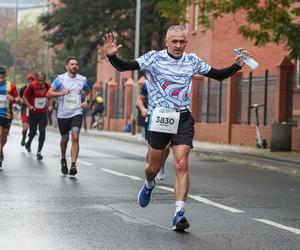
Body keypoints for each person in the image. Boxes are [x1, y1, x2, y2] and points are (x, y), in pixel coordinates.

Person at [103, 25, 248, 231]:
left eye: (182, 41)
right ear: (166, 41)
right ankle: (149, 184)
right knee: (153, 168)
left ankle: (179, 213)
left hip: (183, 118)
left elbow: (217, 75)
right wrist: (112, 57)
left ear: (186, 42)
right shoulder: (154, 58)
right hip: (159, 118)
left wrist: (237, 65)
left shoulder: (192, 60)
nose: (179, 45)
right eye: (175, 41)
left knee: (181, 164)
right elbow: (124, 66)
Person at [46, 56, 91, 176]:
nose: (74, 66)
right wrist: (62, 93)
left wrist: (86, 101)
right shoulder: (60, 79)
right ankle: (63, 159)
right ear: (67, 66)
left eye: (76, 64)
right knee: (64, 140)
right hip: (63, 114)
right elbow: (49, 93)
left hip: (77, 112)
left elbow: (88, 92)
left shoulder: (83, 79)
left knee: (75, 137)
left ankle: (73, 164)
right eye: (72, 64)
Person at [136, 80, 170, 180]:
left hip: (168, 118)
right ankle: (152, 169)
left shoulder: (173, 80)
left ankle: (161, 165)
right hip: (153, 118)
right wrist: (143, 109)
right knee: (151, 148)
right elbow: (139, 99)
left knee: (167, 147)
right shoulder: (147, 83)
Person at [22, 72, 51, 160]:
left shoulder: (47, 86)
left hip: (43, 112)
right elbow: (24, 97)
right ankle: (29, 142)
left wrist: (50, 104)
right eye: (39, 80)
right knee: (33, 132)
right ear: (36, 79)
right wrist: (30, 106)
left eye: (43, 80)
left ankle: (39, 152)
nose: (41, 82)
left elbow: (51, 94)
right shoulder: (31, 86)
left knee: (42, 131)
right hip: (33, 112)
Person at [0, 67, 19, 168]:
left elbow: (18, 99)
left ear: (5, 74)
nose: (0, 75)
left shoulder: (11, 86)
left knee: (4, 136)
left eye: (2, 74)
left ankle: (1, 150)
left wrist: (13, 99)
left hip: (7, 115)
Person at [19, 72, 35, 146]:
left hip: (33, 110)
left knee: (32, 131)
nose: (31, 81)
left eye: (32, 79)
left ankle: (29, 142)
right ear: (27, 80)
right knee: (25, 128)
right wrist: (21, 101)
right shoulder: (23, 88)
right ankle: (23, 138)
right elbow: (19, 98)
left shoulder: (36, 88)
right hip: (25, 110)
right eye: (29, 79)